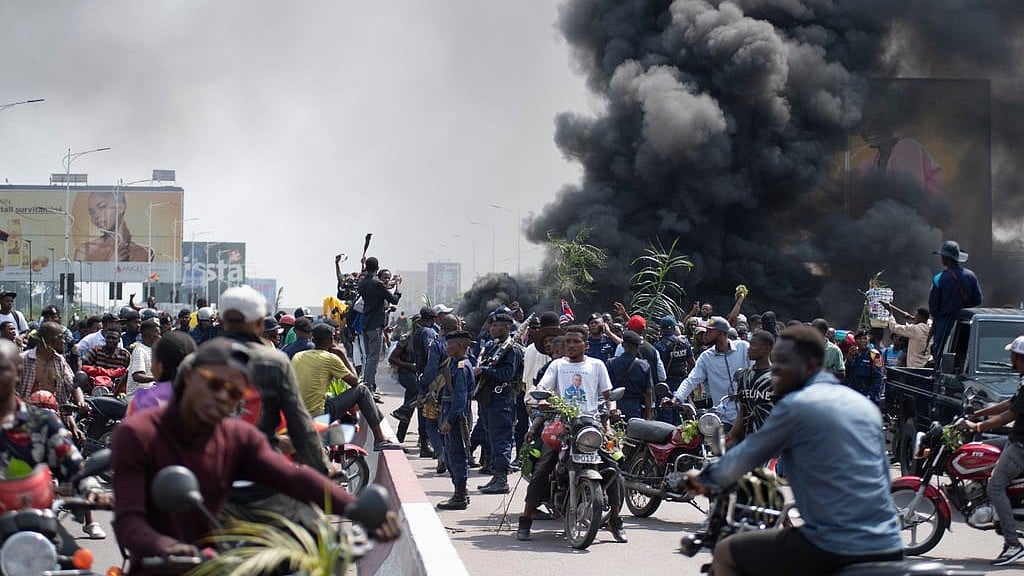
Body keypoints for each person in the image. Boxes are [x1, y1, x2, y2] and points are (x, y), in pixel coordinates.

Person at [111, 338, 402, 573]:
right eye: (214, 384)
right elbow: (129, 521)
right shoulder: (139, 434)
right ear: (187, 380)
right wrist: (165, 546)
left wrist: (356, 508)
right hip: (163, 566)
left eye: (234, 391)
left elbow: (293, 479)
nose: (224, 397)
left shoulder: (237, 436)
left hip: (222, 561)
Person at [684, 325, 903, 576]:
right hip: (889, 543)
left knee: (726, 552)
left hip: (833, 545)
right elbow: (883, 478)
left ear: (809, 366)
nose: (775, 370)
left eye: (783, 363)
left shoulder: (796, 406)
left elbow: (747, 454)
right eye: (775, 362)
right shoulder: (864, 408)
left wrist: (702, 479)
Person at [519, 325, 625, 542]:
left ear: (586, 345)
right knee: (543, 466)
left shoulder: (597, 365)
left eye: (576, 342)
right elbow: (544, 389)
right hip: (561, 424)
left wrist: (611, 413)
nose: (571, 346)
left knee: (613, 468)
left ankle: (615, 519)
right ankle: (526, 519)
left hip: (590, 425)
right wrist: (542, 401)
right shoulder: (557, 366)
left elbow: (608, 395)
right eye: (568, 342)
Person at [0, 339, 112, 542]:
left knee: (80, 568)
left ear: (18, 372)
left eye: (2, 369)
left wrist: (93, 490)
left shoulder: (42, 423)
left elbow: (73, 464)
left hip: (35, 529)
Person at [957, 335, 1024, 566]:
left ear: (1020, 357)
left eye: (1013, 356)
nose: (1010, 359)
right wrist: (977, 413)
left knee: (996, 486)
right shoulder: (1023, 379)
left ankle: (1013, 544)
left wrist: (978, 425)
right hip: (1015, 438)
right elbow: (1009, 404)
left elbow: (1011, 415)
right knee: (985, 450)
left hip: (1022, 444)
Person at [292, 324, 402, 451]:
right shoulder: (330, 358)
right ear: (330, 340)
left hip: (297, 415)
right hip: (317, 416)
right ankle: (379, 439)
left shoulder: (298, 356)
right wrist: (341, 355)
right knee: (363, 391)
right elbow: (355, 382)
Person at [474, 313, 524, 495]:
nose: (492, 329)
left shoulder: (512, 349)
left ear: (507, 327)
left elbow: (507, 374)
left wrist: (484, 369)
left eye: (497, 326)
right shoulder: (494, 346)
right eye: (492, 325)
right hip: (489, 400)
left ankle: (502, 478)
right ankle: (496, 475)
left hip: (502, 400)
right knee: (492, 439)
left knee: (501, 439)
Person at [673, 316, 750, 426]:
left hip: (749, 415)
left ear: (719, 332)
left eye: (709, 331)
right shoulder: (706, 357)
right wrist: (677, 398)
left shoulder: (743, 347)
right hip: (723, 419)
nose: (705, 334)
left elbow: (756, 373)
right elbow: (691, 380)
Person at [436, 330, 474, 510]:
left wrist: (449, 420)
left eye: (449, 344)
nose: (446, 347)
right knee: (452, 456)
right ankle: (460, 493)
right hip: (449, 412)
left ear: (459, 345)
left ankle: (460, 496)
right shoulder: (455, 364)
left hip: (456, 418)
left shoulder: (461, 367)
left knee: (456, 457)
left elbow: (460, 398)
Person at [357, 256, 402, 396]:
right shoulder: (377, 284)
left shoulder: (362, 283)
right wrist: (398, 287)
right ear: (377, 269)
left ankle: (368, 386)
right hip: (375, 325)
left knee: (368, 357)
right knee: (373, 358)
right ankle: (367, 387)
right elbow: (393, 299)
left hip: (365, 324)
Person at [928, 240, 982, 358]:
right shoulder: (971, 276)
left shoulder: (939, 278)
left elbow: (933, 307)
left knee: (941, 356)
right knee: (965, 355)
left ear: (946, 258)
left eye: (942, 256)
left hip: (944, 324)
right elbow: (978, 300)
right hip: (966, 323)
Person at [726, 330, 775, 447]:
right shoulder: (744, 376)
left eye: (753, 345)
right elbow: (742, 410)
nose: (749, 348)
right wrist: (731, 434)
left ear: (766, 349)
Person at [128, 331, 196, 415]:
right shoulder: (202, 400)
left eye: (153, 361)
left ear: (160, 366)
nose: (151, 369)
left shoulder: (142, 401)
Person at [73, 189, 151, 262]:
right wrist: (110, 264)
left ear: (121, 207)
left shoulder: (143, 252)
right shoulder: (84, 251)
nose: (96, 216)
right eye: (91, 212)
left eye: (102, 207)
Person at [608, 330, 652, 420]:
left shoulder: (611, 363)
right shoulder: (644, 366)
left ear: (623, 345)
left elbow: (607, 389)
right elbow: (648, 393)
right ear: (637, 347)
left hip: (615, 406)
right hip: (635, 407)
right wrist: (649, 415)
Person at [883, 303, 932, 368]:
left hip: (914, 366)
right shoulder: (930, 328)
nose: (915, 317)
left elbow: (894, 327)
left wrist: (890, 313)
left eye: (916, 316)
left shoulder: (915, 329)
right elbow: (928, 321)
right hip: (925, 365)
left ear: (920, 317)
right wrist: (912, 318)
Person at [844, 329, 884, 405]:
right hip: (854, 391)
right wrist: (849, 359)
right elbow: (846, 373)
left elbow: (878, 377)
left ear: (868, 340)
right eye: (859, 339)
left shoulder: (874, 355)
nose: (862, 341)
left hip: (867, 392)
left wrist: (871, 394)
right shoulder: (853, 353)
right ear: (855, 340)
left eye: (864, 338)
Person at [126, 318, 162, 397]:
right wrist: (157, 378)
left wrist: (115, 393)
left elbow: (127, 373)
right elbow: (137, 376)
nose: (160, 337)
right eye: (157, 334)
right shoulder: (140, 350)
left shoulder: (154, 350)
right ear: (148, 334)